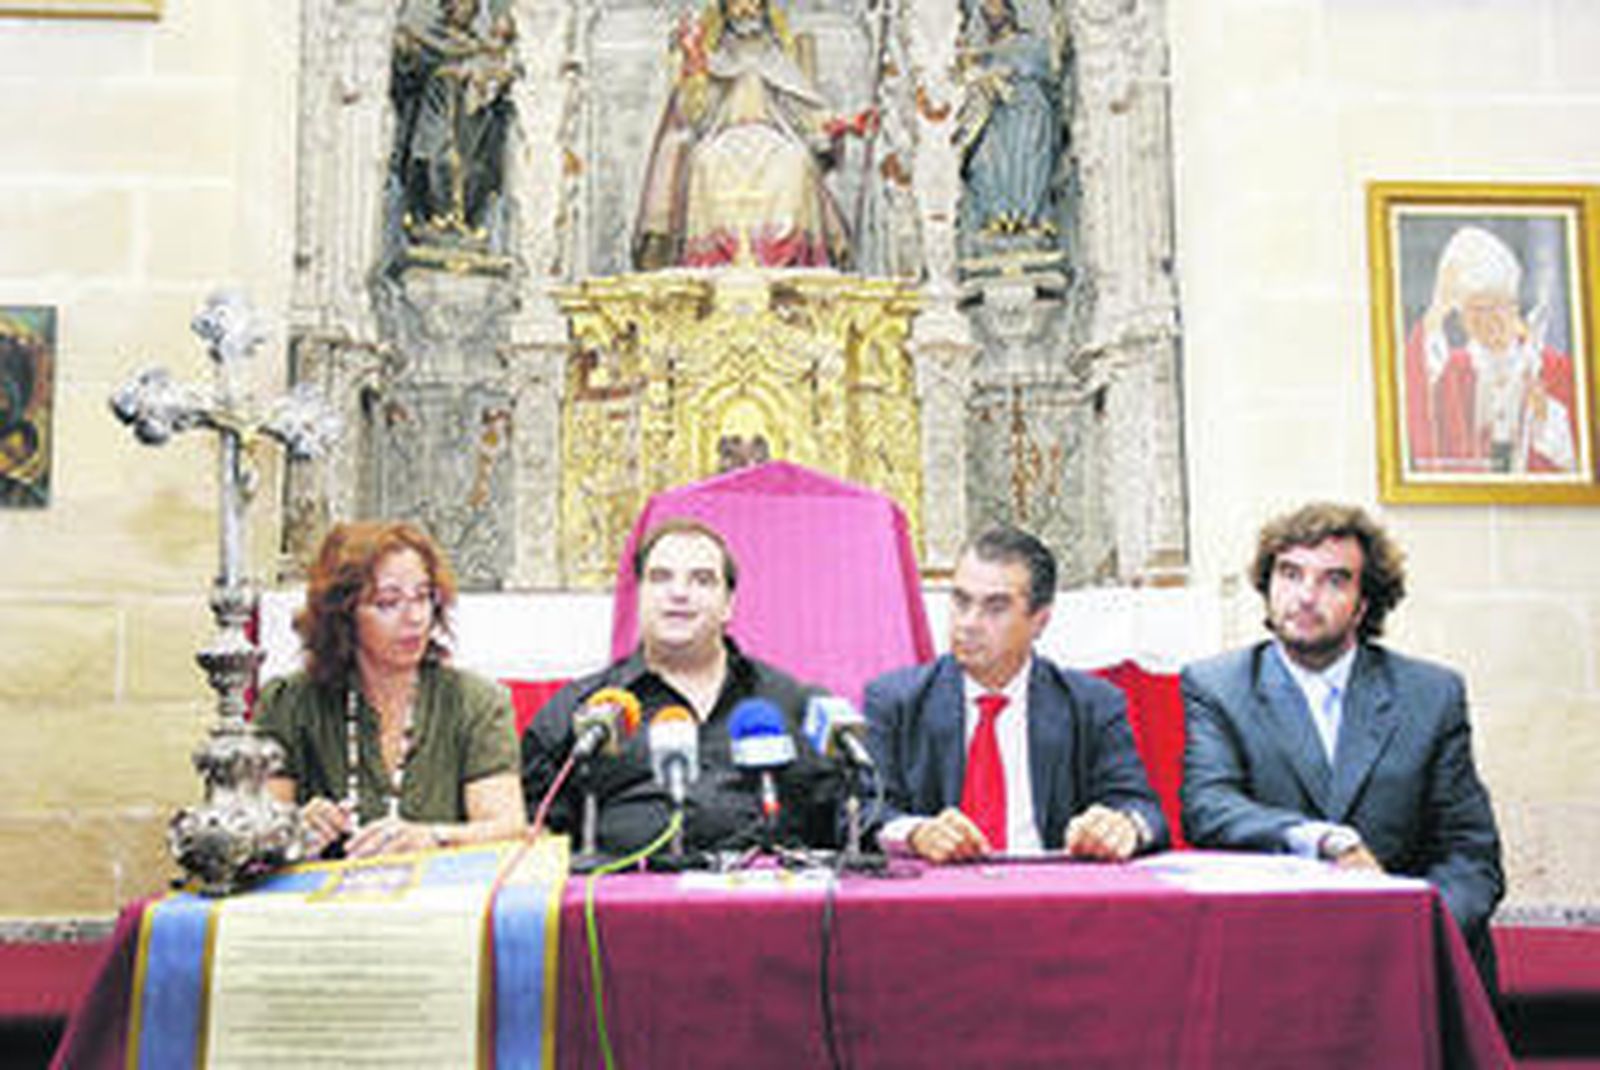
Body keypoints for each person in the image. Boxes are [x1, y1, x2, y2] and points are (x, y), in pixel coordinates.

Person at [1180, 502, 1504, 990]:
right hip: (1274, 953)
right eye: (1290, 574)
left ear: (1364, 603)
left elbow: (1471, 854)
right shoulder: (1218, 686)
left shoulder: (1430, 694)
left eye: (1334, 580)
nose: (1306, 596)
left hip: (1411, 959)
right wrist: (1324, 838)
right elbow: (1209, 808)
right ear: (1267, 588)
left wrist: (1417, 926)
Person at [521, 517, 839, 855]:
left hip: (765, 899)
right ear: (639, 596)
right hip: (624, 901)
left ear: (729, 604)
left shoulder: (791, 703)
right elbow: (533, 834)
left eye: (702, 580)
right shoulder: (579, 710)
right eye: (660, 578)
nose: (679, 593)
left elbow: (842, 818)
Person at [863, 526, 1168, 863]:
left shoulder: (1092, 704)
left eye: (995, 608)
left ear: (1040, 620)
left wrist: (1121, 826)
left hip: (1051, 897)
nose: (968, 623)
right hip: (936, 897)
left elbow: (1144, 812)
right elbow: (862, 813)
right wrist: (915, 833)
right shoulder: (897, 701)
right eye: (961, 601)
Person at [256, 520, 526, 859]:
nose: (414, 617)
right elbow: (255, 831)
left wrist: (433, 837)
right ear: (343, 614)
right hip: (319, 905)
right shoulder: (288, 703)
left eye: (423, 597)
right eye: (388, 602)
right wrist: (294, 828)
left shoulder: (476, 702)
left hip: (442, 902)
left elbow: (508, 828)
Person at [631, 0, 871, 270]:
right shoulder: (713, 59)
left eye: (753, 2)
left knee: (796, 161)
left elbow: (805, 110)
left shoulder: (777, 60)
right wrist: (695, 64)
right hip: (724, 138)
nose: (745, 9)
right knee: (705, 161)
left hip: (773, 139)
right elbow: (692, 115)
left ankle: (787, 262)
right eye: (737, 3)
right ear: (724, 10)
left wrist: (840, 124)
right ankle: (711, 264)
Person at [1403, 224, 1579, 474]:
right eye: (1477, 310)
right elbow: (1419, 394)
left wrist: (1545, 415)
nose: (1489, 321)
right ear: (1462, 318)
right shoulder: (1454, 369)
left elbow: (1578, 461)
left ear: (1515, 308)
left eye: (1498, 307)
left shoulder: (1553, 367)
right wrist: (1438, 307)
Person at [389, 0, 517, 251]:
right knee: (437, 160)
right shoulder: (428, 38)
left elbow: (500, 82)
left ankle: (464, 220)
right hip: (434, 118)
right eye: (459, 2)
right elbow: (408, 70)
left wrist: (487, 81)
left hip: (471, 132)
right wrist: (406, 51)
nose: (464, 8)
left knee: (474, 172)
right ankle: (433, 216)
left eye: (470, 3)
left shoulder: (480, 47)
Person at [955, 0, 1063, 242]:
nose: (989, 14)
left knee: (1030, 161)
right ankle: (997, 217)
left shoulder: (1030, 43)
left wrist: (1007, 70)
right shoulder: (981, 53)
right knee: (983, 161)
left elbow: (1046, 68)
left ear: (1009, 10)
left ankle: (1030, 219)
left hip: (1029, 110)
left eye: (994, 7)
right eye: (985, 10)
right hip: (995, 115)